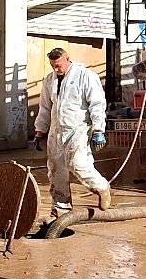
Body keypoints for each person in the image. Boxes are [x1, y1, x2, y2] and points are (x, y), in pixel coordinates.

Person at [33, 48, 112, 217]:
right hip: (56, 130)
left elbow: (97, 104)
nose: (56, 69)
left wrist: (98, 129)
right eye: (53, 66)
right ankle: (61, 206)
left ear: (67, 59)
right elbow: (45, 107)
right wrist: (40, 131)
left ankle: (101, 187)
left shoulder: (86, 76)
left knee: (78, 163)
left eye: (58, 65)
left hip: (79, 128)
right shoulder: (50, 80)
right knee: (55, 168)